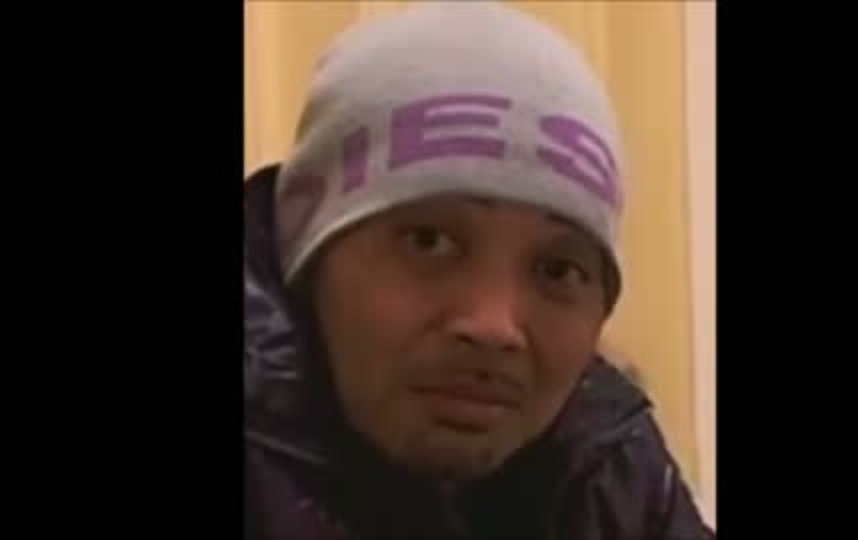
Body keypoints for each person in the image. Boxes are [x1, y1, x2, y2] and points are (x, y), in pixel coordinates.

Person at [244, 3, 714, 539]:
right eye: (429, 242)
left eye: (557, 269)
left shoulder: (608, 475)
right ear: (303, 253)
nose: (493, 326)